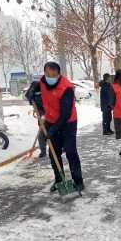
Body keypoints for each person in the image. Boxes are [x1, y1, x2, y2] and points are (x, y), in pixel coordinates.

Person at [39, 61, 84, 192]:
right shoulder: (42, 82)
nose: (49, 77)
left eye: (53, 75)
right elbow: (37, 89)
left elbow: (65, 114)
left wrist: (52, 130)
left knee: (70, 151)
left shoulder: (66, 88)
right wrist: (31, 93)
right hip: (51, 120)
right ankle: (59, 180)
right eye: (47, 74)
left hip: (68, 122)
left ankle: (78, 181)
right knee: (53, 153)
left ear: (58, 75)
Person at [25, 79, 48, 158]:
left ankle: (59, 147)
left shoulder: (46, 91)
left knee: (50, 133)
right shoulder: (34, 93)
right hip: (42, 115)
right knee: (42, 134)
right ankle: (43, 151)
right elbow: (27, 95)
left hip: (49, 114)